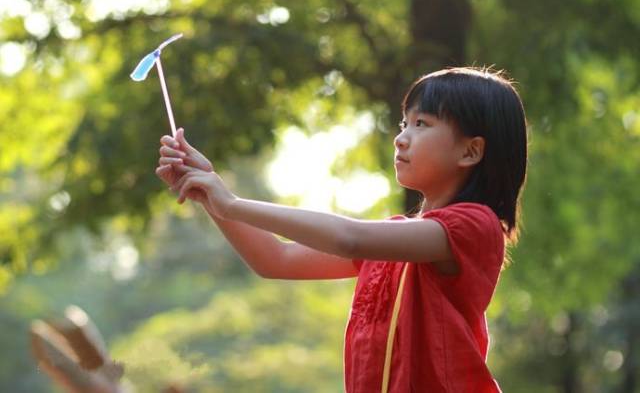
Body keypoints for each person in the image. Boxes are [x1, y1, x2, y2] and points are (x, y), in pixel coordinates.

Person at [155, 66, 528, 392]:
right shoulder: (393, 243)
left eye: (422, 124)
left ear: (470, 152)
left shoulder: (475, 226)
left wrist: (233, 204)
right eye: (404, 123)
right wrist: (210, 191)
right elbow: (275, 259)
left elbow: (348, 237)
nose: (400, 137)